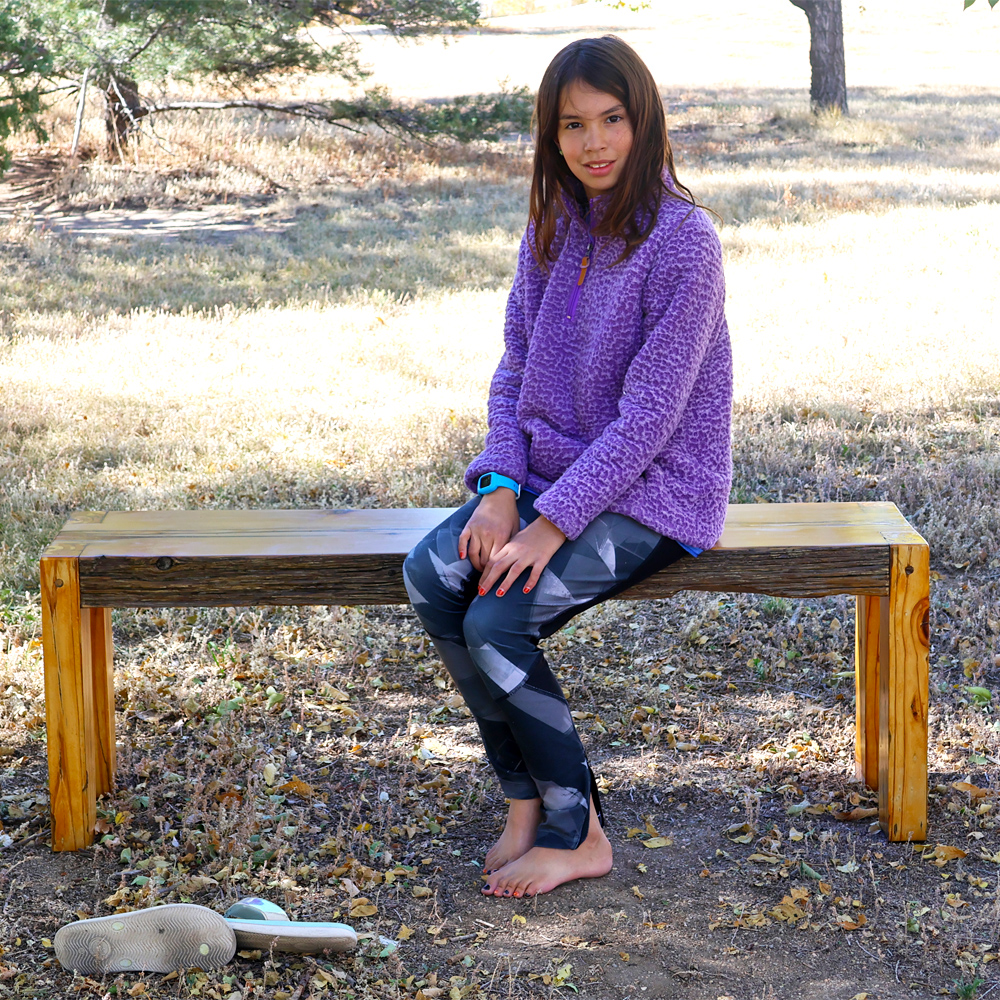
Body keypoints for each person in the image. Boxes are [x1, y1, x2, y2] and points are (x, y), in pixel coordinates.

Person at [403, 35, 732, 899]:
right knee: (434, 577)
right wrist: (503, 491)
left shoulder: (685, 242)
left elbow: (650, 422)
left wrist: (552, 524)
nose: (595, 143)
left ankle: (575, 827)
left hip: (658, 490)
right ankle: (523, 799)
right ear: (551, 137)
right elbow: (514, 368)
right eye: (573, 124)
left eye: (613, 119)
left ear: (644, 119)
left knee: (497, 620)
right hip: (551, 477)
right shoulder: (550, 230)